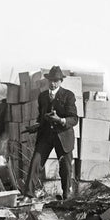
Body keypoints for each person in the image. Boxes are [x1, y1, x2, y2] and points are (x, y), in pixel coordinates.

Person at [24, 65, 78, 199]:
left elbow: (74, 119)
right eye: (51, 81)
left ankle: (66, 195)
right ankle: (28, 195)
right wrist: (35, 126)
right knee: (35, 162)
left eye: (56, 81)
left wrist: (60, 120)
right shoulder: (42, 96)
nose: (53, 84)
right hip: (46, 136)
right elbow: (41, 117)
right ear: (47, 81)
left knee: (65, 167)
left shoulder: (68, 95)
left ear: (61, 81)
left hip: (63, 136)